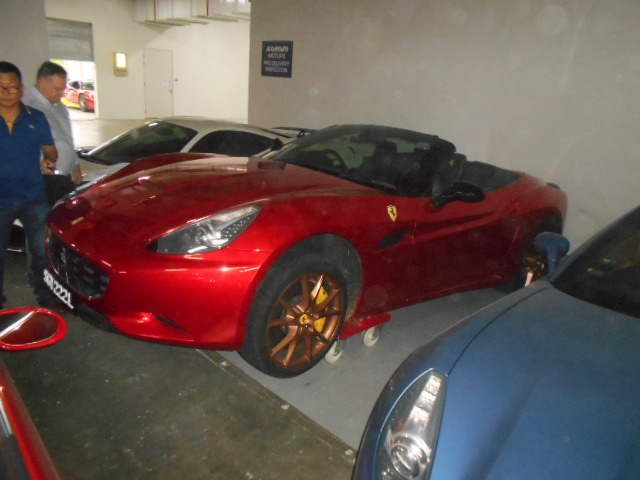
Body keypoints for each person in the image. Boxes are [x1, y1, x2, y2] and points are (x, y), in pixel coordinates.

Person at [0, 61, 59, 309]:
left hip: (33, 197)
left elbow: (50, 150)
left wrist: (49, 160)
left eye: (11, 87)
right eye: (0, 87)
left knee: (41, 251)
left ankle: (44, 292)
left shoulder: (37, 118)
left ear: (21, 89)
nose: (6, 93)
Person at [23, 61, 82, 185]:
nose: (62, 94)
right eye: (58, 89)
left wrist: (75, 164)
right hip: (43, 179)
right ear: (43, 82)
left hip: (63, 177)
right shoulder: (27, 107)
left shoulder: (59, 106)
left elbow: (67, 138)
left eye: (63, 89)